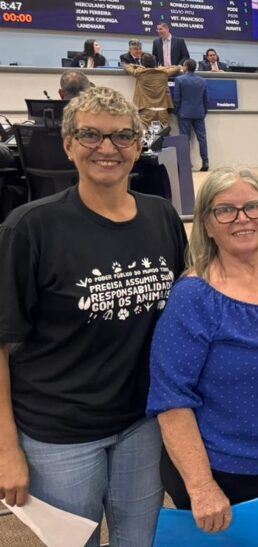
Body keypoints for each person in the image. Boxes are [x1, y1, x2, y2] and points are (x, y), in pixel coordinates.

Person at [0, 87, 187, 545]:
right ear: (68, 144)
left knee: (138, 540)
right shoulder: (30, 227)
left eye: (123, 137)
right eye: (91, 135)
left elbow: (189, 309)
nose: (108, 149)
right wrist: (6, 448)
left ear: (139, 146)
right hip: (59, 433)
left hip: (142, 423)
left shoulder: (162, 217)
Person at [148, 167, 258, 545]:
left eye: (253, 207)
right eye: (226, 210)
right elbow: (170, 399)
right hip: (223, 468)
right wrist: (201, 486)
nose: (243, 218)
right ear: (207, 224)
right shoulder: (193, 297)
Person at [123, 53, 182, 128]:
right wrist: (164, 67)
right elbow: (177, 68)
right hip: (163, 110)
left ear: (142, 63)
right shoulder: (164, 72)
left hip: (146, 110)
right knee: (163, 135)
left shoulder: (140, 73)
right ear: (155, 63)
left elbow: (126, 66)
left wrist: (137, 66)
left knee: (145, 135)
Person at [173, 59, 210, 171]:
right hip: (199, 113)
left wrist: (177, 111)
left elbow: (177, 98)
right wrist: (204, 112)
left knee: (184, 139)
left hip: (184, 113)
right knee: (202, 138)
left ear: (186, 67)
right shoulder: (202, 81)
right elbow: (206, 99)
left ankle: (186, 164)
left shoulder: (179, 80)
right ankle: (205, 161)